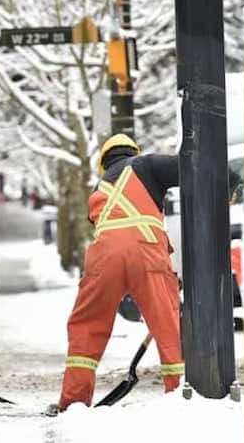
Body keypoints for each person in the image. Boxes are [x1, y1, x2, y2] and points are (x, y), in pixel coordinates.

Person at [50, 134, 185, 414]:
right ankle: (179, 389)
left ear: (103, 164)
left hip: (104, 258)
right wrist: (231, 184)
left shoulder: (98, 189)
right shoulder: (147, 166)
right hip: (147, 256)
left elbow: (114, 232)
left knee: (86, 326)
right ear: (133, 152)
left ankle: (73, 400)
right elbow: (191, 165)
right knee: (168, 326)